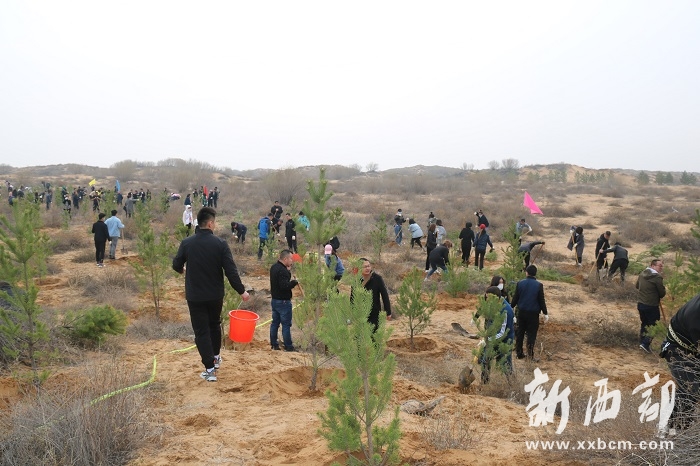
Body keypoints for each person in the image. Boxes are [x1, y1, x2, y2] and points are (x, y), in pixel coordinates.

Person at [172, 207, 250, 382]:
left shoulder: (187, 243)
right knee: (214, 325)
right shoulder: (220, 244)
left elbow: (176, 265)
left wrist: (183, 270)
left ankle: (209, 368)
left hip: (195, 296)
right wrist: (242, 291)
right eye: (214, 222)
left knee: (201, 331)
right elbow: (231, 271)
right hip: (215, 295)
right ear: (209, 224)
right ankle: (215, 358)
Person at [659, 293, 700, 435]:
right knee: (690, 389)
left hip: (693, 348)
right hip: (677, 350)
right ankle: (674, 432)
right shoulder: (697, 315)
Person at [477, 286, 515, 384]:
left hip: (505, 340)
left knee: (506, 363)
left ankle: (512, 384)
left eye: (488, 298)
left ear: (496, 297)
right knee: (485, 361)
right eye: (486, 297)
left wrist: (487, 340)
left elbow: (503, 332)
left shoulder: (506, 310)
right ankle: (484, 384)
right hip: (492, 338)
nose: (487, 300)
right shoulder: (493, 305)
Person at [511, 265, 549, 361]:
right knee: (531, 335)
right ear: (535, 273)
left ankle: (519, 353)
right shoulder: (539, 285)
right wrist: (545, 313)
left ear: (526, 272)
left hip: (521, 312)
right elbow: (541, 300)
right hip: (533, 314)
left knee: (520, 333)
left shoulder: (520, 283)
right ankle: (530, 355)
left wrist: (511, 307)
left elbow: (516, 298)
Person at [269, 249, 299, 351]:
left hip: (275, 300)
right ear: (285, 259)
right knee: (286, 325)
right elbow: (284, 286)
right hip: (284, 302)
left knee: (275, 323)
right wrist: (294, 283)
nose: (292, 261)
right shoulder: (282, 271)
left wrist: (288, 271)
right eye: (291, 259)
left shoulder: (274, 267)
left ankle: (274, 344)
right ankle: (288, 346)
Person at [636, 259, 665, 353]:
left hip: (641, 304)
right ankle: (645, 344)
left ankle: (642, 342)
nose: (661, 267)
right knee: (654, 325)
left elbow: (637, 286)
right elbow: (662, 293)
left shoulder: (642, 273)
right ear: (652, 265)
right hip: (651, 305)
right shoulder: (657, 277)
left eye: (662, 266)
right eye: (659, 265)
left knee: (644, 323)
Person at [358, 258, 392, 333]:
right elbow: (352, 297)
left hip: (374, 314)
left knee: (374, 336)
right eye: (365, 267)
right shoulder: (356, 280)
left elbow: (384, 295)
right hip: (360, 314)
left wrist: (388, 312)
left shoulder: (377, 279)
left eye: (368, 266)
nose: (367, 268)